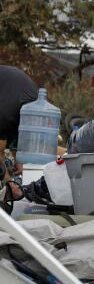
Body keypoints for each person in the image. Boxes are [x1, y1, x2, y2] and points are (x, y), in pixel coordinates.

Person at [0, 66, 39, 211]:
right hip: (26, 90)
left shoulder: (6, 108)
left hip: (14, 92)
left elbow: (17, 129)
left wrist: (19, 161)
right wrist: (10, 182)